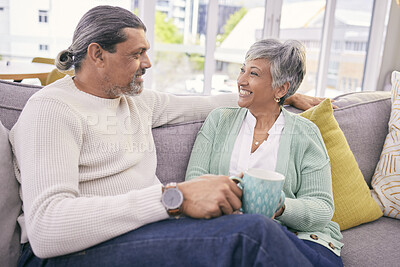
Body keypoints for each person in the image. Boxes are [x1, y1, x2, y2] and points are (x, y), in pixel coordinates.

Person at [10, 5, 329, 266]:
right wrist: (173, 198)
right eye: (136, 54)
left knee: (288, 241)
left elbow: (207, 103)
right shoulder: (52, 109)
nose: (147, 63)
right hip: (66, 256)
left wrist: (278, 96)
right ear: (97, 55)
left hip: (142, 235)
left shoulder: (136, 101)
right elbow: (46, 230)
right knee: (251, 235)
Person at [185, 39, 343, 266]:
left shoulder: (306, 133)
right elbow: (194, 181)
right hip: (230, 229)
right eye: (243, 70)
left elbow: (321, 208)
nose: (240, 80)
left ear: (281, 88)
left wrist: (279, 206)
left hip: (299, 237)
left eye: (254, 74)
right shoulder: (219, 120)